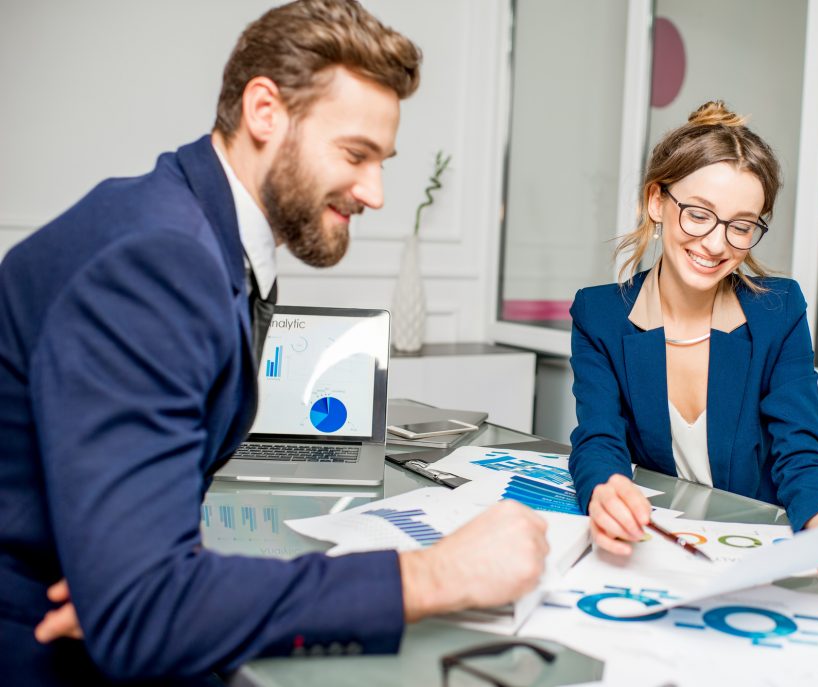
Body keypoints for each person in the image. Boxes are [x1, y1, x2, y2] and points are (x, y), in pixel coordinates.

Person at [0, 1, 548, 684]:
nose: (375, 191)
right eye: (356, 154)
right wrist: (433, 575)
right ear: (265, 111)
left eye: (384, 161)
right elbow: (143, 612)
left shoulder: (201, 228)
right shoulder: (161, 261)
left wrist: (125, 577)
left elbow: (137, 582)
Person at [567, 101, 818, 583]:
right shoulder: (601, 315)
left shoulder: (777, 312)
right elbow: (598, 437)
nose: (716, 244)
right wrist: (606, 489)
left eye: (741, 226)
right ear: (656, 201)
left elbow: (800, 451)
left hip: (756, 557)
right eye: (698, 215)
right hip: (659, 552)